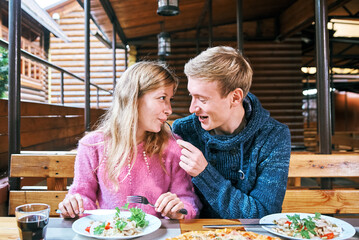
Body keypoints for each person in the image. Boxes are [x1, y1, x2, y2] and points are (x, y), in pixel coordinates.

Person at [58, 61, 201, 220]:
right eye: (162, 98)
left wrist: (180, 209)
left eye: (170, 100)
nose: (169, 109)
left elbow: (187, 200)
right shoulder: (92, 146)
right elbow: (82, 196)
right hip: (109, 234)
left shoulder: (173, 147)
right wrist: (73, 206)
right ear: (134, 98)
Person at [172, 46, 291, 219]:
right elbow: (182, 200)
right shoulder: (184, 130)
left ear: (235, 97)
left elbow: (264, 215)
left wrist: (205, 173)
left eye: (202, 99)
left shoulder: (273, 136)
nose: (192, 108)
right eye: (192, 96)